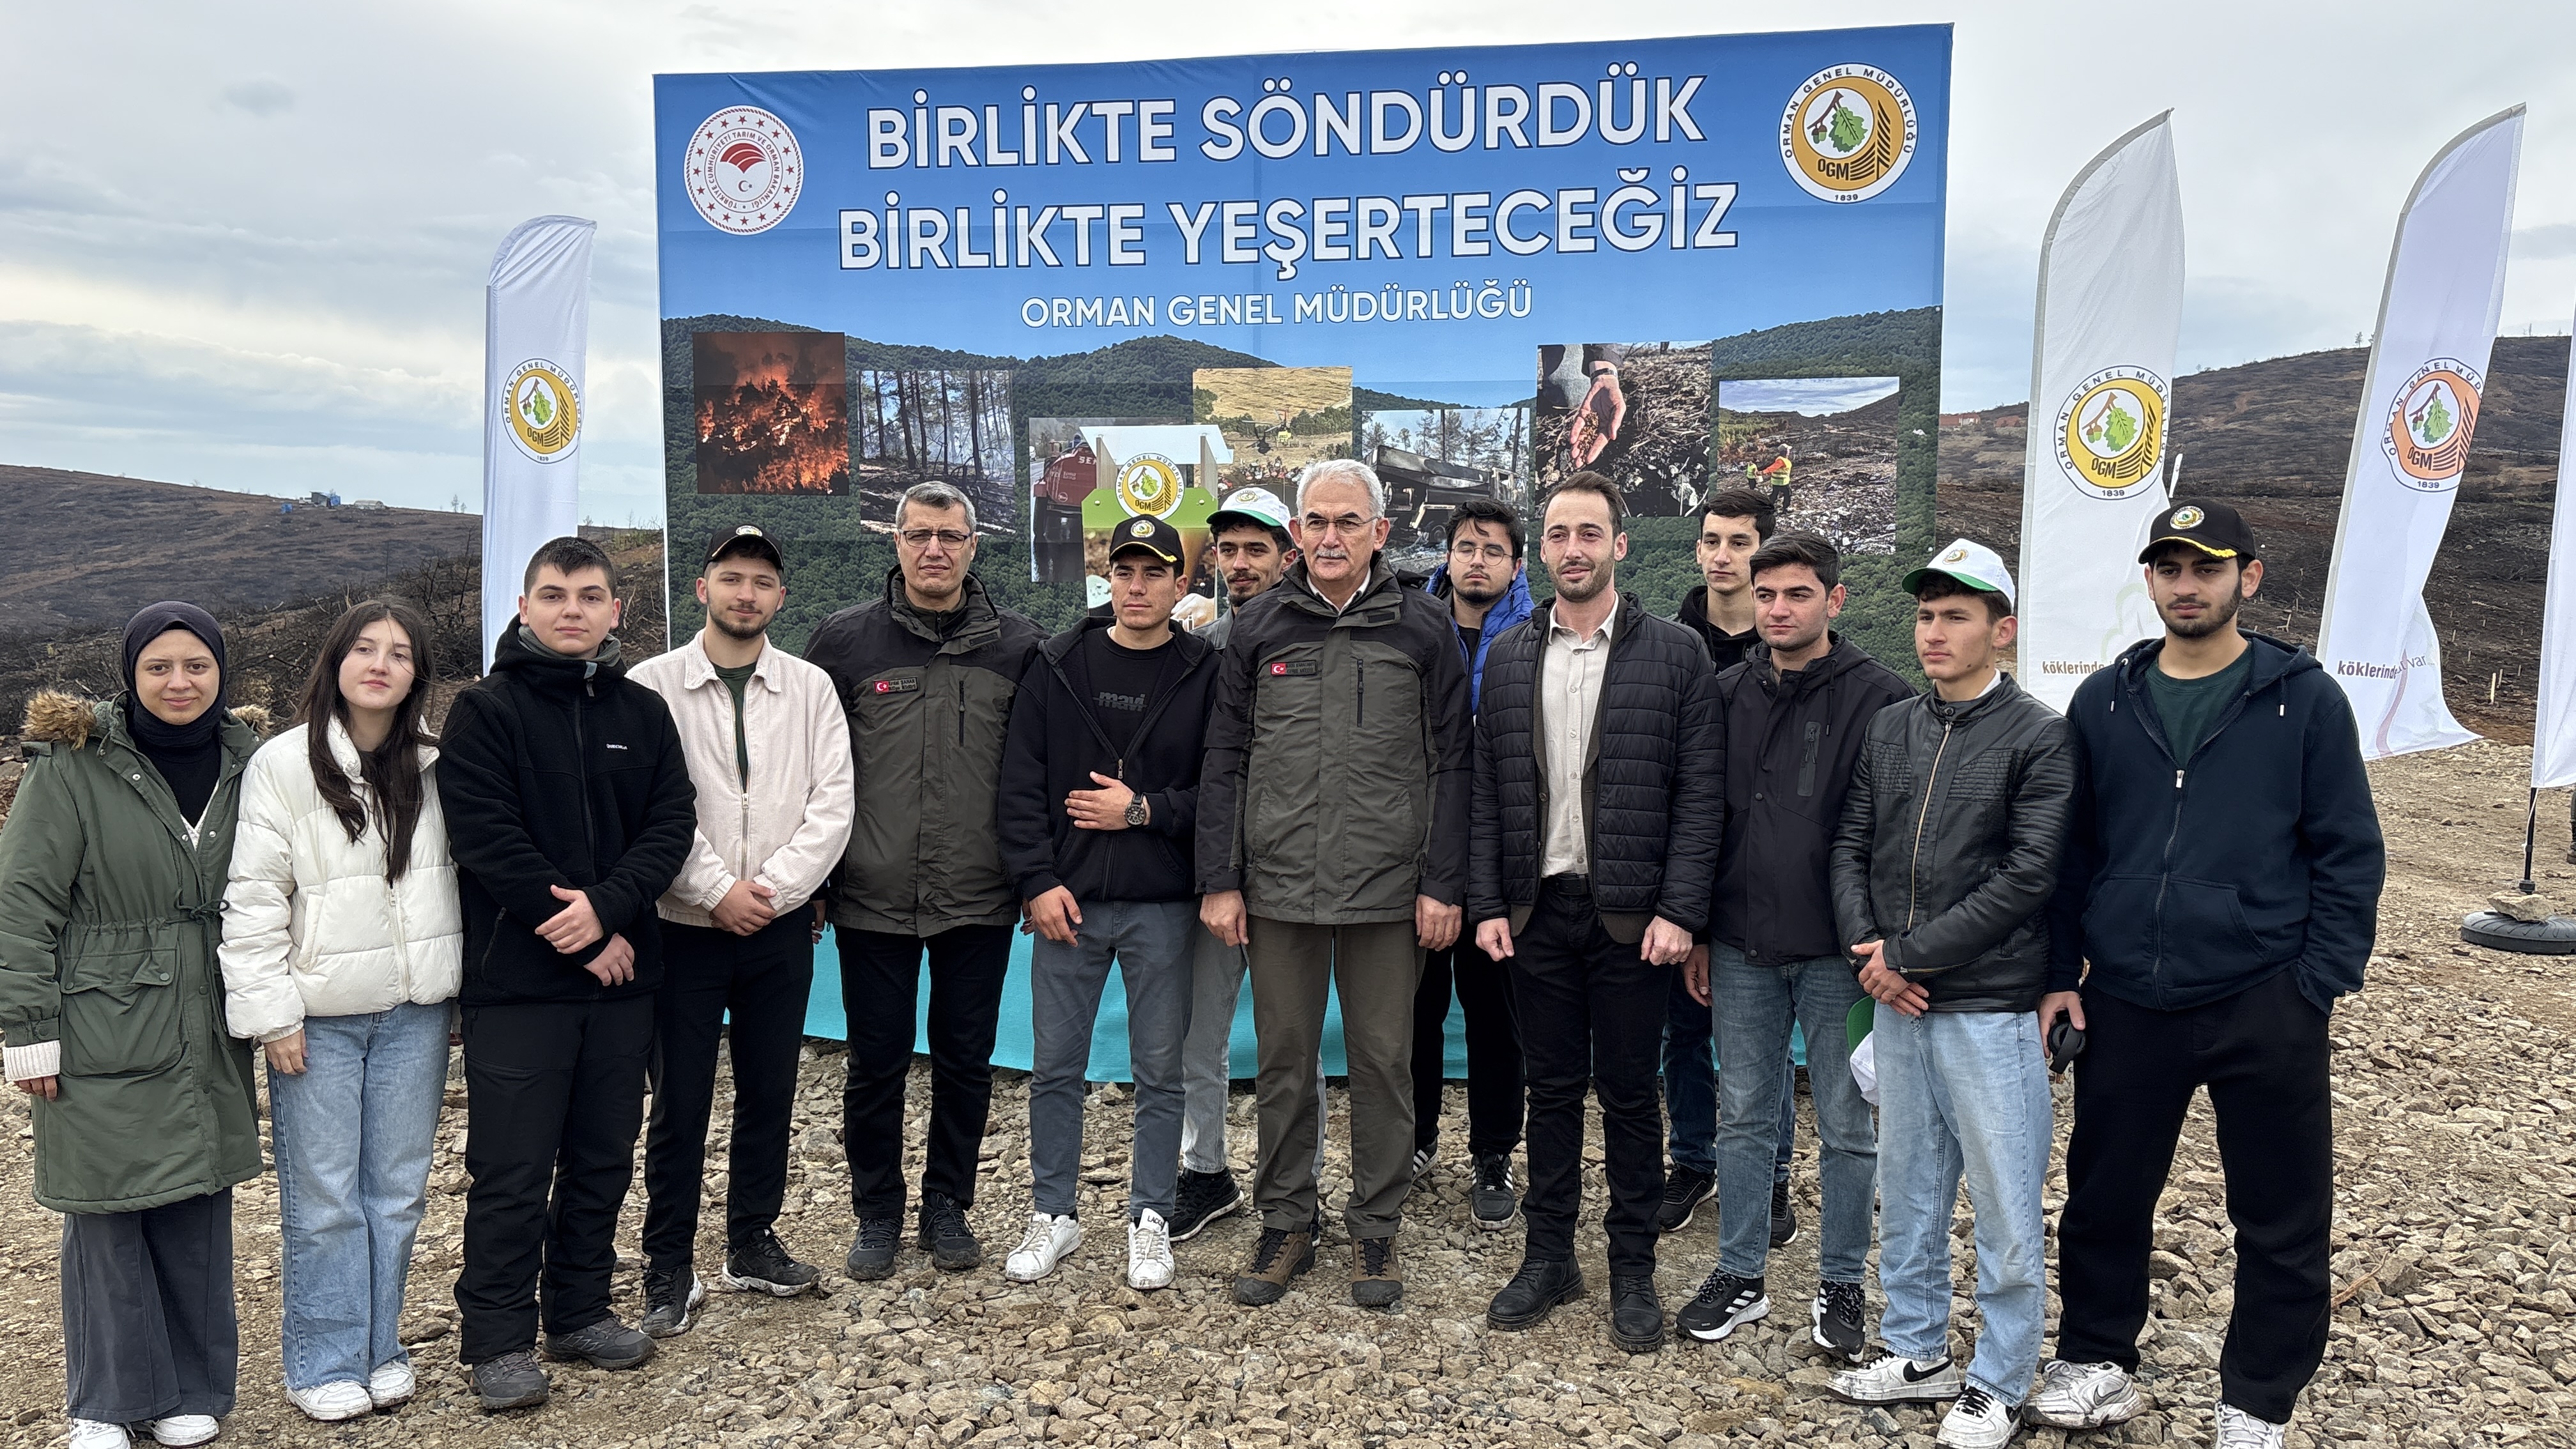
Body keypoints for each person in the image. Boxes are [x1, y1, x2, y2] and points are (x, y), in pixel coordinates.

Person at [2027, 501, 2384, 1449]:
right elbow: (2074, 853)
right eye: (2170, 568)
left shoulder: (2304, 701)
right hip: (2126, 995)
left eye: (2208, 568)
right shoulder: (2104, 701)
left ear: (2248, 578)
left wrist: (2316, 982)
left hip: (2263, 995)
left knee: (2280, 1211)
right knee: (2105, 1194)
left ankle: (2257, 1401)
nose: (2187, 586)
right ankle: (2097, 1360)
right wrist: (2061, 971)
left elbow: (2349, 851)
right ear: (2149, 578)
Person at [1197, 457, 1471, 1311]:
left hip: (1389, 892)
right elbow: (1225, 760)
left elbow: (1454, 763)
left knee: (1384, 1063)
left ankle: (1377, 1226)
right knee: (1283, 1060)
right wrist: (1221, 880)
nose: (1329, 537)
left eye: (1348, 521)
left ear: (1380, 532)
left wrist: (1443, 883)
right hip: (1279, 888)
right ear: (1296, 534)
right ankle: (1287, 1221)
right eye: (1315, 521)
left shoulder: (1425, 629)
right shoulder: (1257, 629)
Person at [439, 536, 698, 1412]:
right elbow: (485, 837)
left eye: (589, 596)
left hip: (624, 982)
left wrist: (612, 910)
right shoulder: (485, 711)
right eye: (554, 595)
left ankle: (580, 1311)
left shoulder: (642, 712)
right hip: (519, 985)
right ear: (525, 608)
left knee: (601, 1157)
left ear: (615, 610)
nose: (572, 611)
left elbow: (671, 825)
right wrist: (582, 935)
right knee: (512, 1170)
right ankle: (498, 1339)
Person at [0, 604, 265, 1449]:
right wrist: (27, 1030)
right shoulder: (72, 767)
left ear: (220, 672)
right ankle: (106, 1403)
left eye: (197, 665)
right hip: (100, 1021)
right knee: (106, 1213)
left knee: (196, 1203)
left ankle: (191, 1389)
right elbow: (21, 907)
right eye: (159, 667)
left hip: (207, 1020)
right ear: (130, 675)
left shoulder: (248, 762)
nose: (179, 683)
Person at [1824, 542, 2072, 1447]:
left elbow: (2027, 876)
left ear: (2003, 631)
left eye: (1957, 616)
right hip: (1897, 1001)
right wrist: (1872, 956)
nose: (1935, 631)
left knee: (2004, 1206)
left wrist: (1908, 958)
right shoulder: (1892, 727)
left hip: (1988, 1010)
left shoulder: (2040, 737)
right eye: (1927, 615)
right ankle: (1917, 1348)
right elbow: (1851, 845)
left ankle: (2000, 1380)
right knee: (1910, 1188)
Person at [1469, 474, 1723, 1353]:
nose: (1572, 549)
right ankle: (1549, 1258)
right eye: (1558, 534)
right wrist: (1487, 903)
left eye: (1589, 533)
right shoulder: (1509, 656)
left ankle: (1632, 1268)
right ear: (1540, 551)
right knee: (1548, 1093)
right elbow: (1488, 792)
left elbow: (1701, 794)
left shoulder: (1678, 654)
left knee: (1628, 1096)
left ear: (1620, 544)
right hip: (1536, 912)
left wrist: (1681, 910)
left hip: (1634, 921)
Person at [218, 601, 460, 1423]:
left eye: (399, 653)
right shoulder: (284, 764)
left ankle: (379, 1349)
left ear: (417, 675)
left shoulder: (435, 763)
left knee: (397, 1194)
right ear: (336, 661)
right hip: (319, 1018)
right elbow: (254, 896)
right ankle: (321, 1361)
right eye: (364, 648)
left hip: (415, 1013)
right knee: (324, 1201)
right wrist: (272, 1015)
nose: (380, 664)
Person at [1677, 532, 1912, 1359]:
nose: (1778, 609)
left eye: (1798, 594)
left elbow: (1894, 836)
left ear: (1834, 600)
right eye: (1767, 594)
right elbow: (1704, 818)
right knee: (1744, 1115)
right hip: (1740, 945)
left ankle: (1842, 1281)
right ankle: (1740, 1272)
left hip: (1841, 958)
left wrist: (1884, 944)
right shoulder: (1724, 693)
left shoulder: (1883, 699)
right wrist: (1700, 928)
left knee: (1848, 1123)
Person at [805, 482, 1045, 1280]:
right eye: (918, 535)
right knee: (875, 1063)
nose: (933, 549)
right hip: (871, 895)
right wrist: (817, 881)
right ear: (896, 543)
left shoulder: (1021, 646)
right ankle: (877, 1211)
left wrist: (1033, 873)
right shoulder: (843, 643)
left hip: (978, 894)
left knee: (965, 1060)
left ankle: (948, 1205)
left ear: (975, 545)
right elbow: (811, 768)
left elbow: (1037, 774)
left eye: (949, 535)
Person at [628, 526, 854, 1337]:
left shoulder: (810, 689)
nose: (746, 594)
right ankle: (668, 1263)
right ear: (703, 588)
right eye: (732, 578)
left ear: (781, 597)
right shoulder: (650, 685)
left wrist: (776, 892)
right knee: (680, 1101)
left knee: (769, 1091)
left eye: (761, 582)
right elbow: (648, 808)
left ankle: (752, 1241)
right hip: (680, 926)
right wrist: (715, 889)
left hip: (777, 929)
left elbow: (833, 802)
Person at [997, 515, 1220, 1291]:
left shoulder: (1205, 671)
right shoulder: (1057, 663)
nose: (1137, 586)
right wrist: (1035, 881)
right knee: (1055, 1068)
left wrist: (1143, 811)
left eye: (1155, 572)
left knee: (1161, 1072)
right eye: (1125, 571)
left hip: (1163, 907)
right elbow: (1019, 784)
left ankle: (1150, 1217)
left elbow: (1220, 792)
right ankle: (1052, 1212)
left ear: (1181, 584)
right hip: (1068, 904)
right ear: (1108, 578)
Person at [1172, 488, 1319, 1241]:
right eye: (1227, 550)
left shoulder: (1320, 637)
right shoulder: (1201, 648)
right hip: (1219, 874)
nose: (1239, 564)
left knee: (1292, 1038)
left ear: (1288, 555)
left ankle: (1299, 1186)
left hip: (1293, 871)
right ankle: (1206, 1170)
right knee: (1201, 1029)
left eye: (1255, 549)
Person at [1661, 487, 1801, 1244]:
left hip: (1761, 882)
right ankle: (1692, 1159)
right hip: (1683, 877)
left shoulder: (1789, 647)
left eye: (1739, 543)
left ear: (1763, 553)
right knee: (1683, 1033)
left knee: (1761, 1043)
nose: (1722, 556)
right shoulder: (1664, 645)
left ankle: (1771, 1173)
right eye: (1712, 541)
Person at [1411, 496, 1535, 1230]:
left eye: (1493, 550)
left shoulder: (1538, 636)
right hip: (1417, 857)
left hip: (1501, 860)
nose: (1478, 561)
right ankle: (1418, 1138)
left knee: (1496, 1019)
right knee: (1414, 1012)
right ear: (1448, 556)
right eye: (1466, 547)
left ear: (1515, 566)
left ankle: (1493, 1154)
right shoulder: (1410, 627)